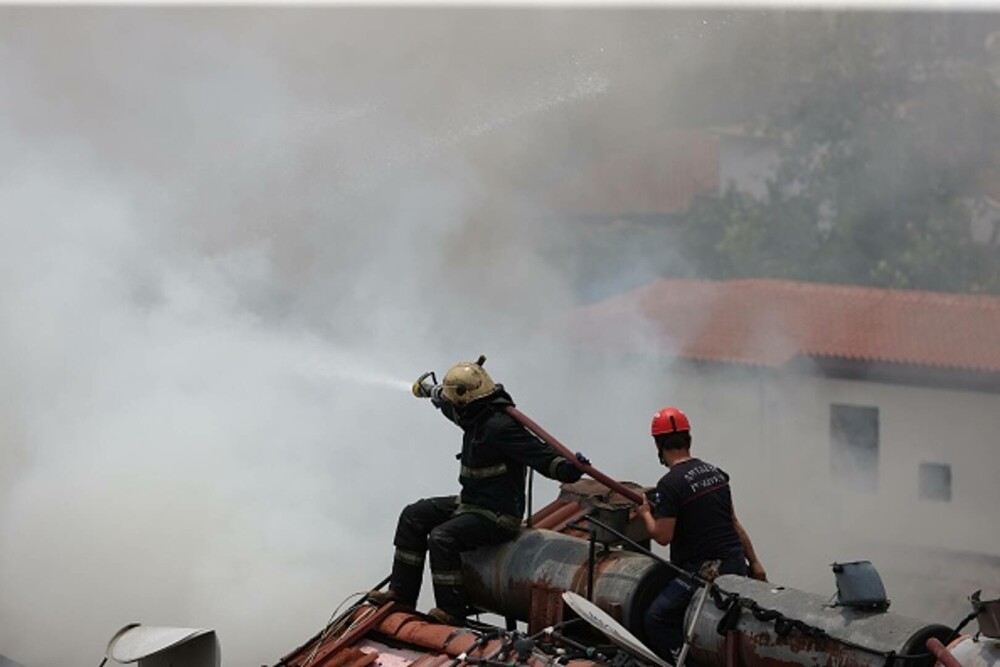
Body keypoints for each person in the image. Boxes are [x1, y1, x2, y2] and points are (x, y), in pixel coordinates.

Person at [369, 357, 586, 624]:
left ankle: (451, 611)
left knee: (442, 538)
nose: (453, 409)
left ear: (467, 398)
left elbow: (540, 456)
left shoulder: (501, 426)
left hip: (498, 516)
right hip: (471, 504)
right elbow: (450, 406)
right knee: (414, 515)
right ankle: (401, 595)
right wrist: (430, 392)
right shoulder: (474, 414)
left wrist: (568, 468)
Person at [637, 406, 766, 661]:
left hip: (703, 572)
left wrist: (644, 513)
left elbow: (663, 536)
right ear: (689, 439)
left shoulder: (670, 484)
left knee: (657, 619)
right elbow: (733, 523)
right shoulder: (716, 473)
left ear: (658, 445)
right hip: (735, 564)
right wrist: (755, 562)